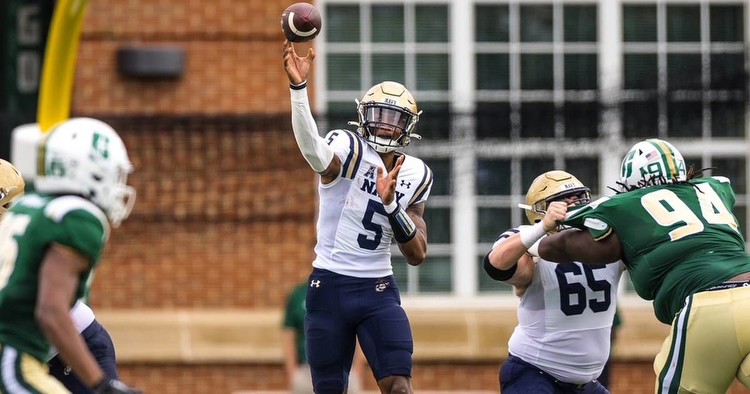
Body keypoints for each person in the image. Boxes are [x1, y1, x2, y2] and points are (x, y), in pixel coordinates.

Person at [537, 138, 750, 393]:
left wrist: (535, 238)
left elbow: (556, 244)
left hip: (708, 305)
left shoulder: (624, 204)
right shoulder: (714, 188)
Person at [282, 40, 433, 394]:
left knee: (399, 386)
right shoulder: (348, 148)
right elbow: (311, 149)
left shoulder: (417, 174)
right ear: (363, 116)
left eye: (394, 119)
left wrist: (392, 205)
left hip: (378, 289)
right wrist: (299, 90)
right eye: (378, 116)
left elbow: (417, 254)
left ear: (408, 128)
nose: (383, 127)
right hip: (329, 285)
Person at [0, 118, 140, 393]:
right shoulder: (64, 215)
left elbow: (50, 310)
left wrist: (100, 384)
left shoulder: (62, 216)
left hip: (64, 349)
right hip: (29, 353)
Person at [484, 170, 625, 393]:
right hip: (535, 372)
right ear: (541, 210)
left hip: (586, 383)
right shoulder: (529, 237)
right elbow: (496, 264)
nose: (575, 205)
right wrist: (543, 228)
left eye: (579, 198)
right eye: (565, 201)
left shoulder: (604, 240)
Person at [282, 282, 367, 394]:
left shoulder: (350, 292)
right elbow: (288, 335)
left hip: (345, 371)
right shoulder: (299, 294)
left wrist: (357, 370)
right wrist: (293, 374)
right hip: (306, 372)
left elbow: (361, 331)